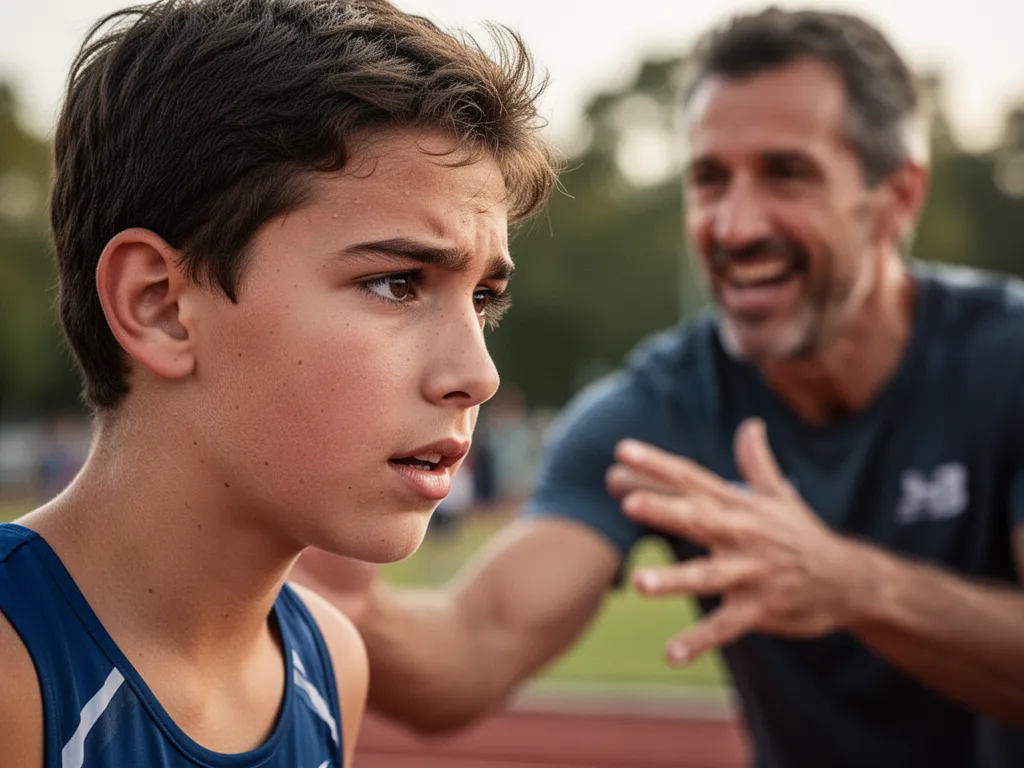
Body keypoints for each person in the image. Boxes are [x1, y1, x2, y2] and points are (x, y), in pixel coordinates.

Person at [292, 8, 1024, 767]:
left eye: (787, 174)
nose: (735, 225)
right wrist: (340, 597)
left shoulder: (1007, 362)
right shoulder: (657, 411)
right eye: (710, 179)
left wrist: (858, 586)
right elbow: (477, 646)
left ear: (898, 197)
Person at [0, 1, 557, 766]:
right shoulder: (13, 673)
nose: (479, 376)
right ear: (158, 305)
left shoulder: (330, 665)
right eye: (397, 284)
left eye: (483, 299)